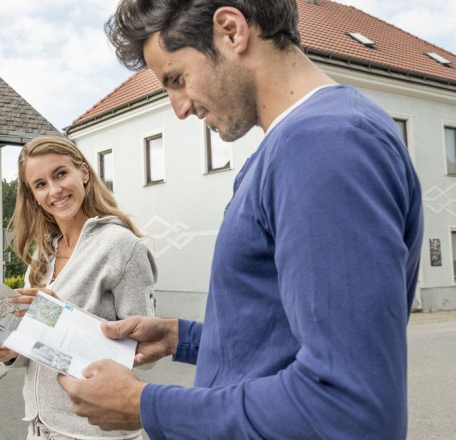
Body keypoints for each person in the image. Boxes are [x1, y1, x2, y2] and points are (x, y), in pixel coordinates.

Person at [57, 1, 423, 439]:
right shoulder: (297, 145)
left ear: (231, 30)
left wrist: (144, 404)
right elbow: (281, 333)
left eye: (176, 79)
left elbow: (347, 406)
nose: (179, 108)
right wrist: (181, 338)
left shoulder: (325, 146)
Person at [0, 135, 157, 440]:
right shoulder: (42, 255)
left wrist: (61, 316)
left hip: (95, 433)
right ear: (34, 196)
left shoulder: (121, 247)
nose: (54, 190)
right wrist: (11, 350)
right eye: (41, 184)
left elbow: (146, 352)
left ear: (84, 172)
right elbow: (42, 344)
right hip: (41, 429)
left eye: (60, 174)